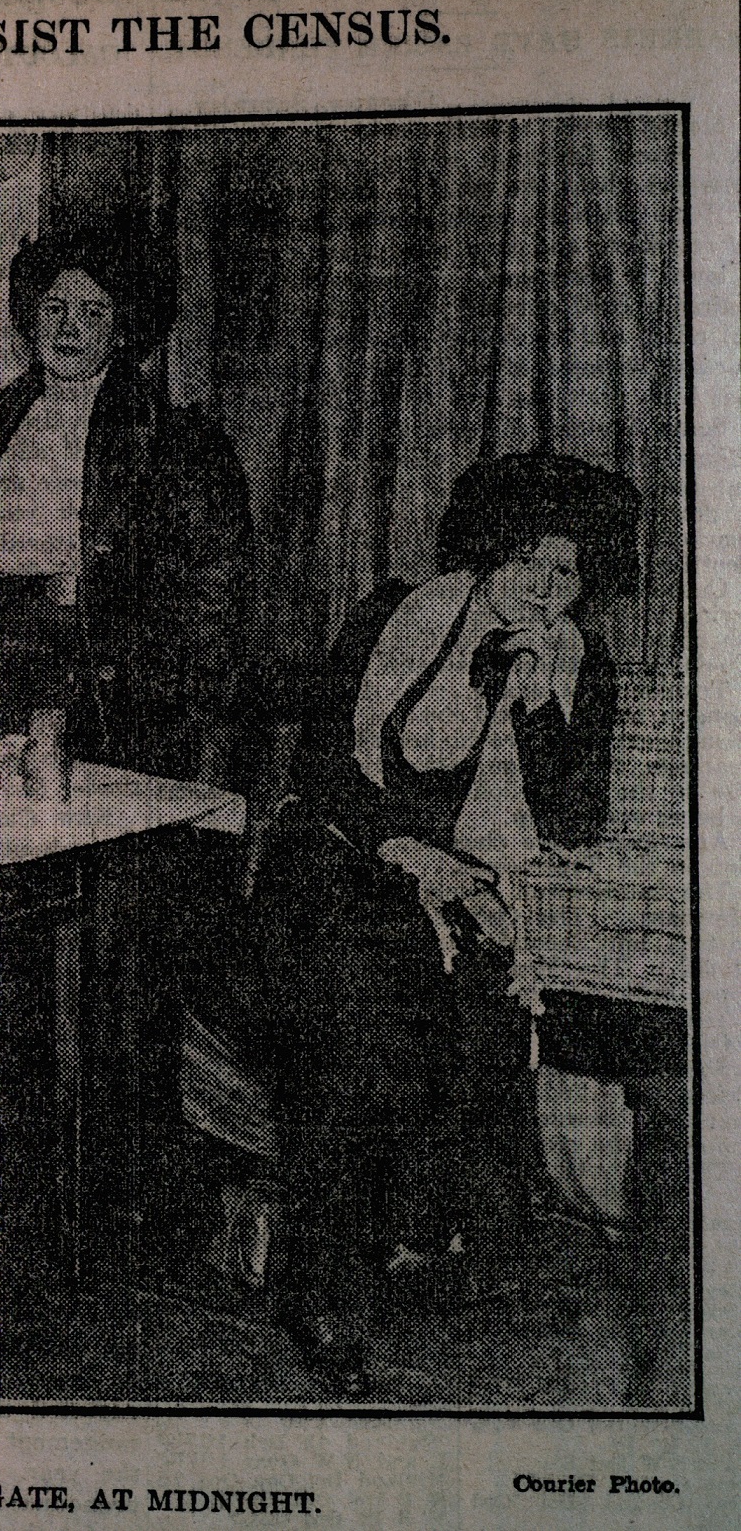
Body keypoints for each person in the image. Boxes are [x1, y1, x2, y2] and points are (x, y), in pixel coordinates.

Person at [253, 451, 634, 1395]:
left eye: (567, 570)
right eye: (525, 560)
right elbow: (324, 771)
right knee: (362, 1012)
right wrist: (406, 849)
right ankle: (314, 1281)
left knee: (456, 1013)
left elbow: (572, 820)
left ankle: (393, 1243)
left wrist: (540, 697)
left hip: (470, 893)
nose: (543, 586)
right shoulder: (399, 612)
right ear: (486, 548)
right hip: (341, 856)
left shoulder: (583, 666)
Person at [0, 222, 254, 784]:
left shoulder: (178, 440)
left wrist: (189, 701)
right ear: (31, 318)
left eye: (92, 312)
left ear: (123, 329)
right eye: (54, 308)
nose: (69, 327)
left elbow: (218, 584)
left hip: (112, 680)